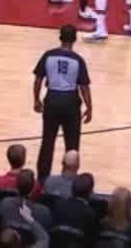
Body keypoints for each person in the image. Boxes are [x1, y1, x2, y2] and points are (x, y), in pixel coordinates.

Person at [32, 25, 92, 180]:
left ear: (60, 37)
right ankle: (69, 179)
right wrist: (89, 107)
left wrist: (36, 99)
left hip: (52, 99)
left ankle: (42, 180)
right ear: (74, 39)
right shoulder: (78, 60)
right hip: (70, 102)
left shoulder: (48, 55)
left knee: (47, 142)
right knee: (72, 145)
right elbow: (84, 86)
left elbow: (38, 79)